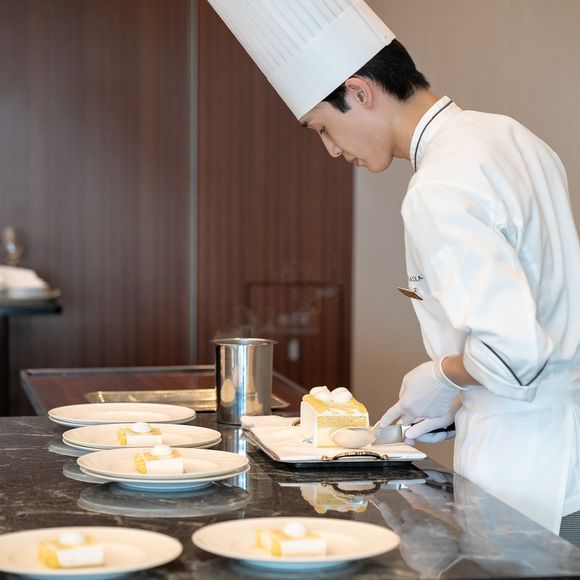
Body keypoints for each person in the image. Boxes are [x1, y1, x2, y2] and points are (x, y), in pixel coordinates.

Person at [207, 0, 580, 535]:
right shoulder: (512, 138)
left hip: (520, 473)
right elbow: (548, 320)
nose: (332, 150)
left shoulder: (439, 186)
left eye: (322, 128)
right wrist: (462, 398)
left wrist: (440, 375)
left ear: (360, 92)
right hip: (565, 449)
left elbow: (517, 353)